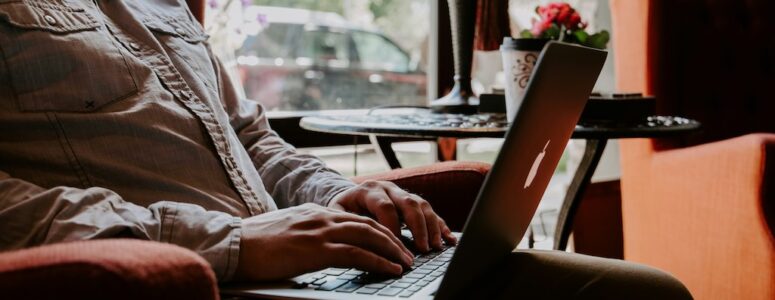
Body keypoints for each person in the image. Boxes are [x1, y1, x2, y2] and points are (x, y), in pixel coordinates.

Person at [0, 1, 692, 298]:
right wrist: (233, 241)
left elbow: (250, 138)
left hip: (306, 278)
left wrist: (335, 192)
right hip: (197, 282)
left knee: (639, 291)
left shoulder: (161, 7)